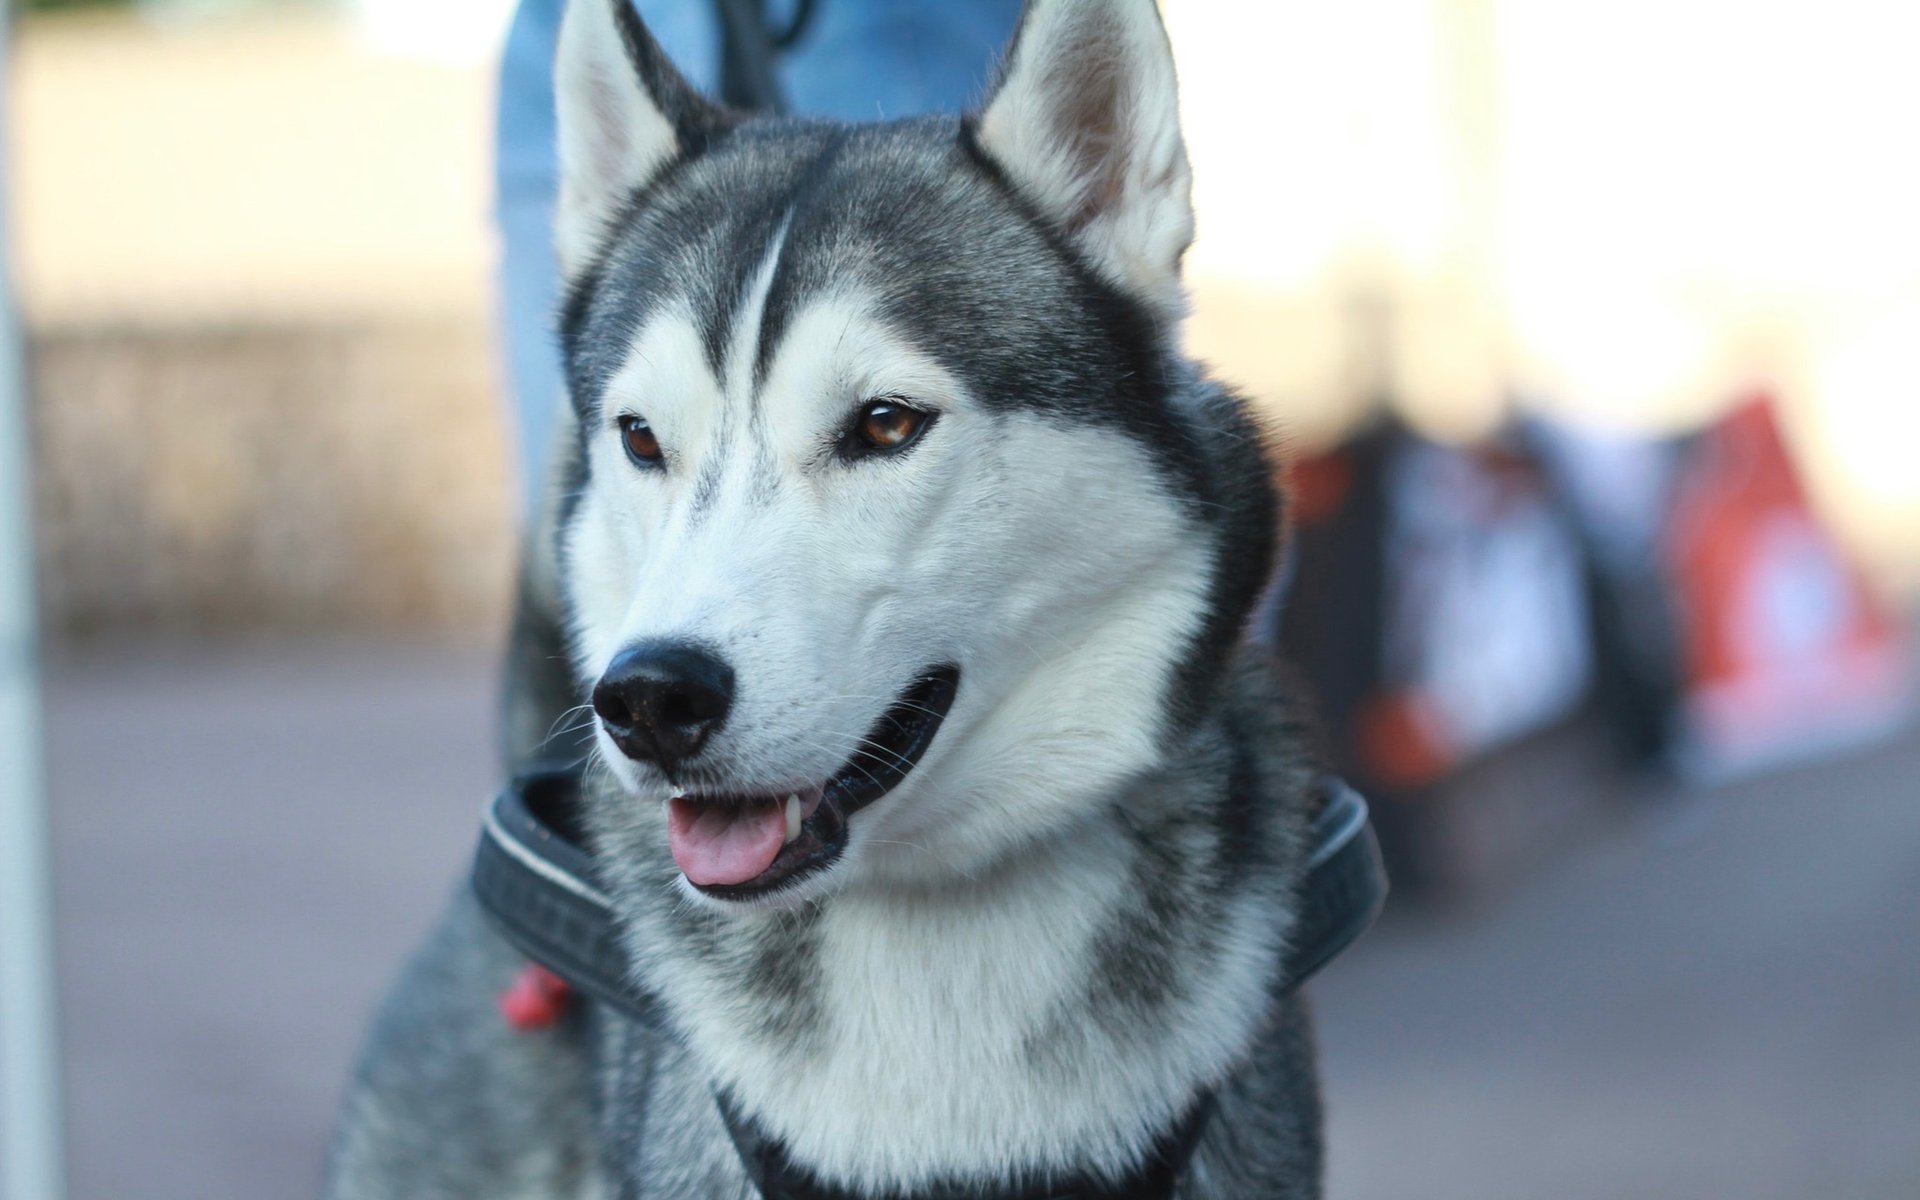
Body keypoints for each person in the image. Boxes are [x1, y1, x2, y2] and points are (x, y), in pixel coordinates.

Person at [494, 0, 1022, 506]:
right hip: (562, 25)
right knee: (568, 499)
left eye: (887, 424)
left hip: (854, 17)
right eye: (644, 439)